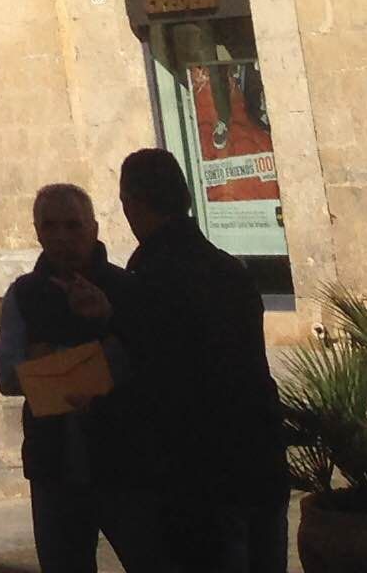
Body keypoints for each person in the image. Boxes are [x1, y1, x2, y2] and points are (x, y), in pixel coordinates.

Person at [116, 148, 288, 573]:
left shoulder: (148, 279)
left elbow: (151, 378)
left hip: (196, 475)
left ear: (132, 204)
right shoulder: (230, 270)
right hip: (258, 458)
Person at [0, 183, 168, 573]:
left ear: (93, 228)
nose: (61, 237)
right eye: (50, 226)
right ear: (37, 231)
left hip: (124, 461)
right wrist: (64, 368)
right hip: (53, 465)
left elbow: (148, 361)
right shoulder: (23, 295)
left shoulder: (127, 288)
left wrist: (96, 331)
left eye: (72, 226)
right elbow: (7, 375)